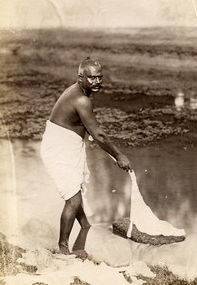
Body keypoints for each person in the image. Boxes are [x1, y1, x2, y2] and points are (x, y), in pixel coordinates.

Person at [40, 57, 132, 254]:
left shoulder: (80, 92)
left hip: (65, 144)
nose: (97, 82)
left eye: (100, 78)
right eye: (92, 78)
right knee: (72, 199)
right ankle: (63, 249)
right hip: (59, 147)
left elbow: (85, 127)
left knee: (75, 189)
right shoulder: (81, 99)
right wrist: (119, 156)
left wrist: (88, 134)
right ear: (80, 77)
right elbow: (98, 134)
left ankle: (85, 226)